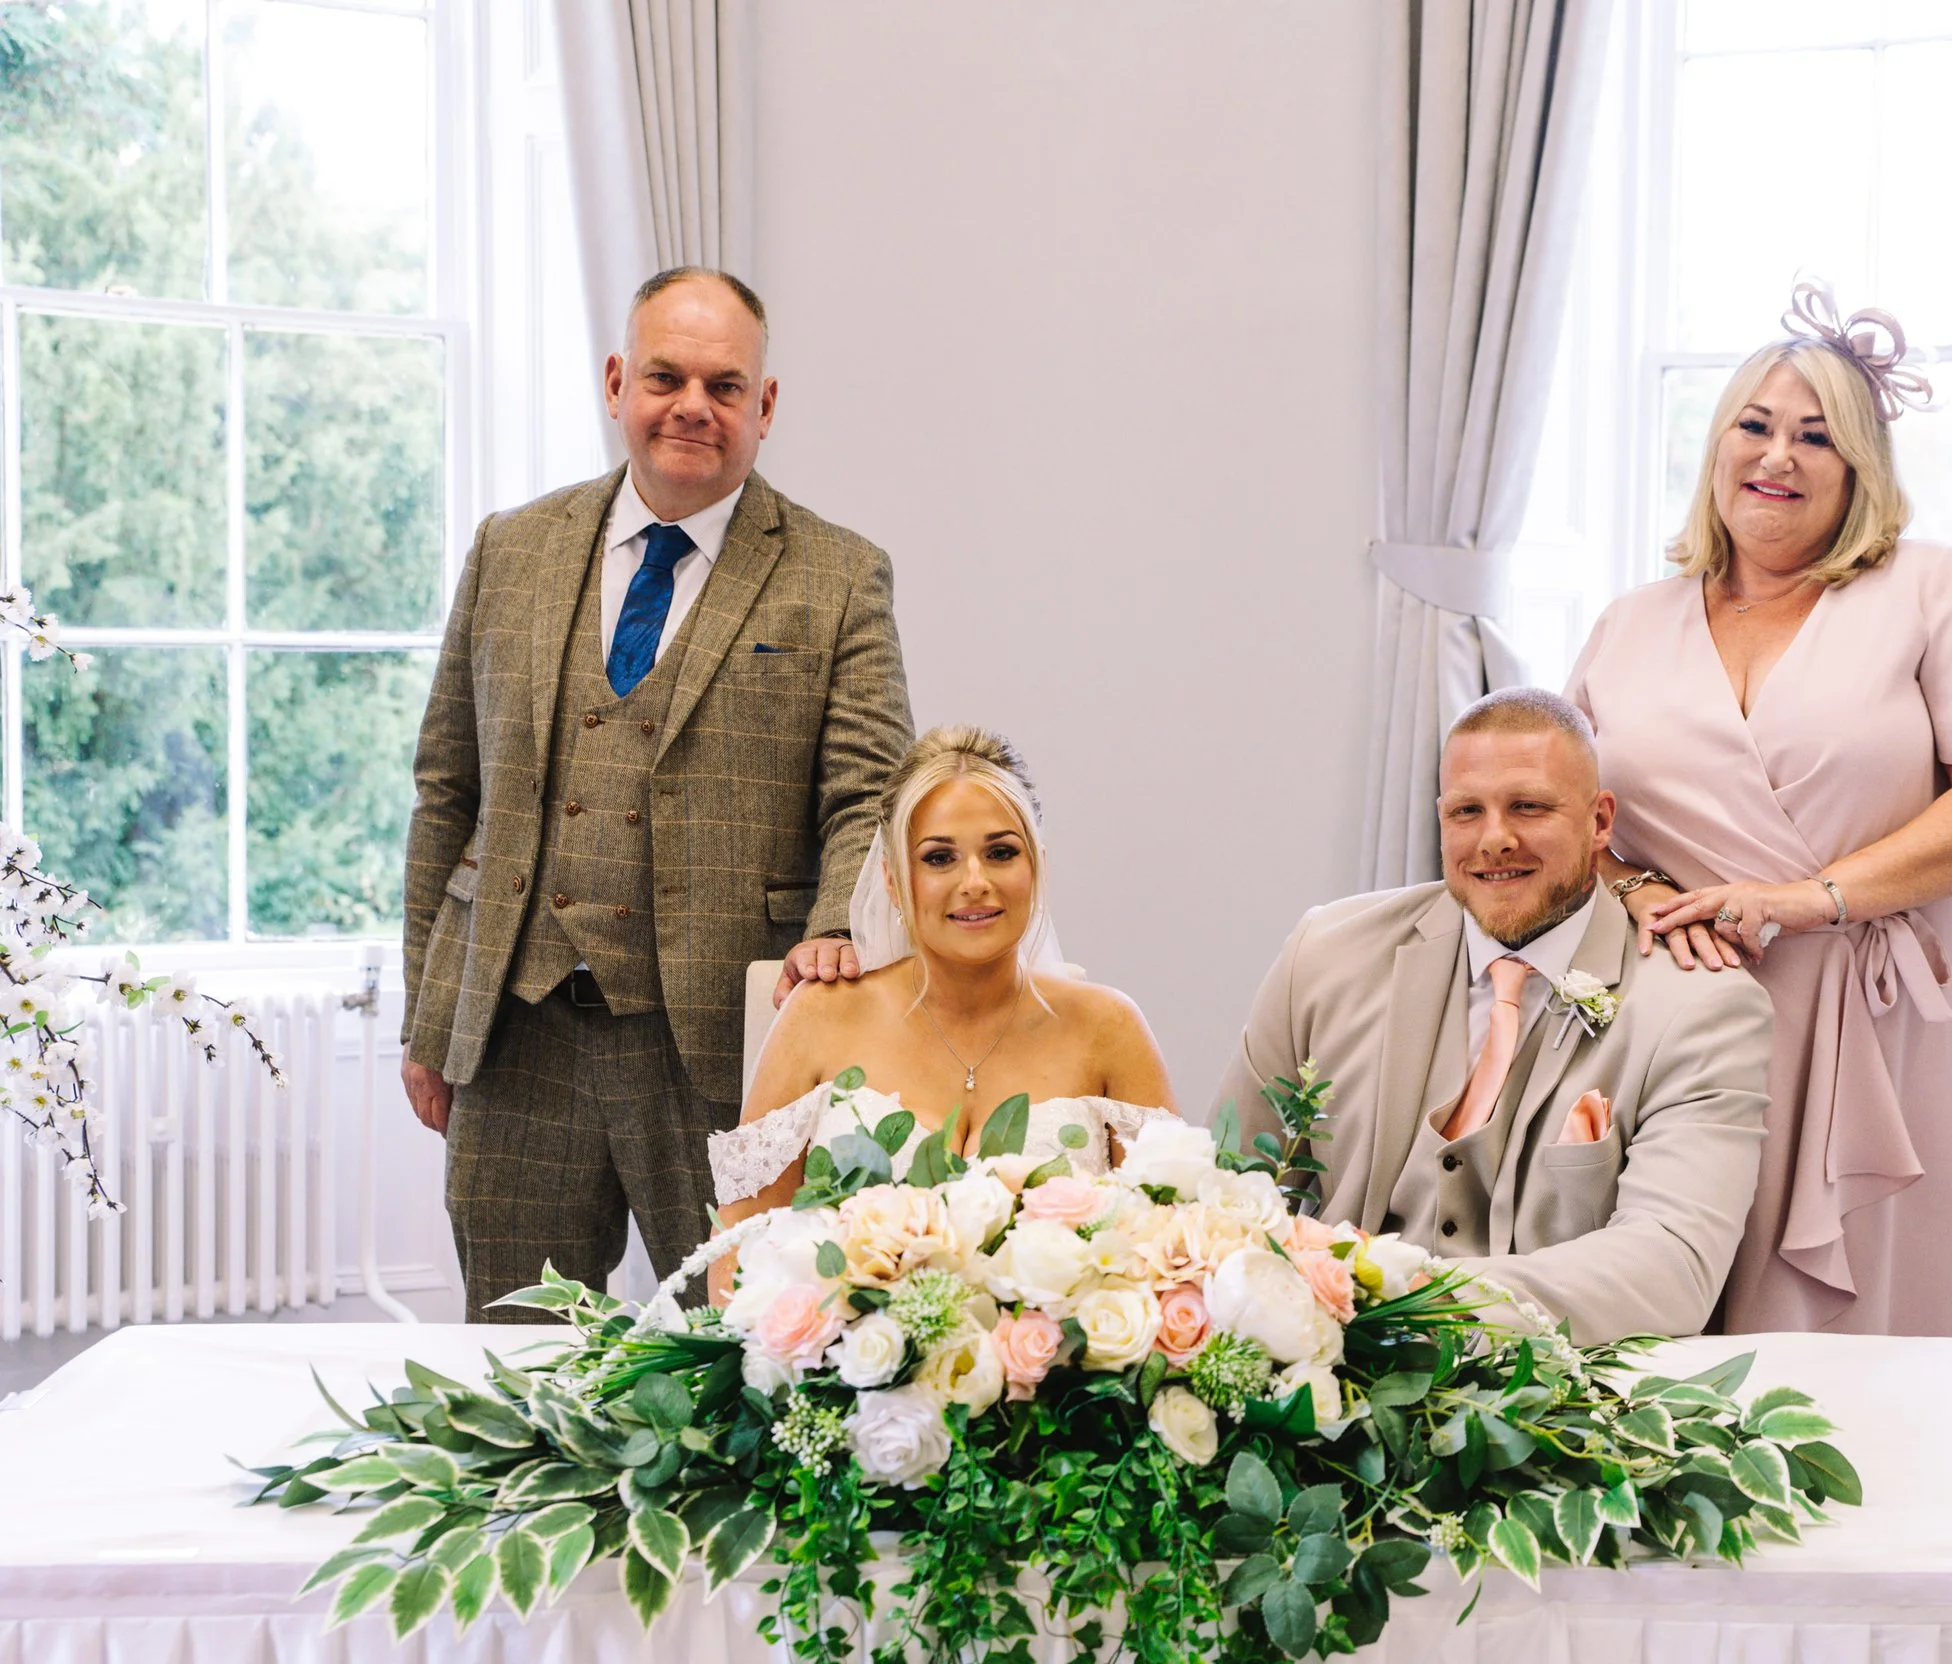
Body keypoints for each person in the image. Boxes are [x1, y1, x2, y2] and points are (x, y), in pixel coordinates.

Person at [401, 266, 915, 1321]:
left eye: (725, 387)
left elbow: (870, 793)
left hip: (724, 1050)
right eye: (665, 377)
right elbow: (447, 787)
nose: (693, 406)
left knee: (749, 1346)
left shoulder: (838, 575)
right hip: (517, 1037)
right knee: (516, 1353)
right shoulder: (510, 549)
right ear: (616, 383)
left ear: (764, 406)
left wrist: (834, 929)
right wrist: (428, 1015)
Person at [1567, 282, 1952, 1337]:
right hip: (1691, 1013)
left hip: (1886, 1017)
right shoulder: (1628, 622)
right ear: (1717, 447)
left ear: (1859, 470)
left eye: (1817, 436)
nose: (1779, 456)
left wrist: (1813, 897)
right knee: (1680, 1295)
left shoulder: (1926, 587)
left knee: (1891, 1318)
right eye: (1755, 426)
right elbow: (1570, 820)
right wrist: (1639, 889)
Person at [1210, 689, 1774, 1344]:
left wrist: (1393, 1298)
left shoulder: (1702, 1007)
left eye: (1528, 807)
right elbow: (1225, 1193)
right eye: (1467, 811)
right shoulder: (1326, 955)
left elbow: (1670, 1267)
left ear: (1600, 822)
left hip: (1558, 1387)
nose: (1495, 840)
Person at [706, 725, 1176, 1304]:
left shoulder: (1111, 1028)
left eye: (1001, 853)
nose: (974, 882)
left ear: (1037, 866)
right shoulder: (819, 1014)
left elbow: (1168, 1253)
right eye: (939, 858)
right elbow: (738, 1252)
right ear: (892, 880)